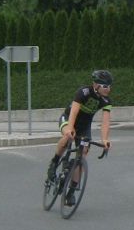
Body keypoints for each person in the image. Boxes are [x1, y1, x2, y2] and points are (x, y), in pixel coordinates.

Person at [46, 69, 114, 206]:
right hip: (69, 119)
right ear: (95, 85)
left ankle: (70, 193)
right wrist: (70, 128)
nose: (108, 89)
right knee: (67, 136)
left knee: (82, 154)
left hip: (84, 127)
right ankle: (54, 162)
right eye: (105, 86)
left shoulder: (106, 100)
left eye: (110, 86)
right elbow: (74, 111)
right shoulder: (84, 92)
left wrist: (105, 139)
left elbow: (105, 122)